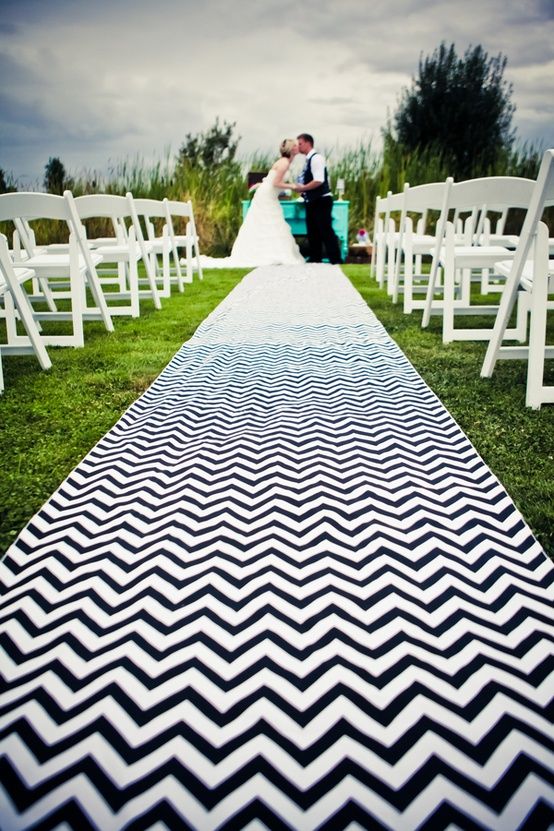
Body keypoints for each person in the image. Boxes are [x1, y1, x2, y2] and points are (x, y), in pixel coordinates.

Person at [197, 139, 305, 268]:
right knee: (269, 221)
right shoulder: (284, 163)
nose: (297, 147)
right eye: (295, 146)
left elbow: (270, 180)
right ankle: (267, 254)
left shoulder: (283, 162)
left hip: (267, 193)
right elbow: (276, 183)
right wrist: (293, 186)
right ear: (291, 149)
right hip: (268, 196)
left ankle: (265, 253)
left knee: (264, 222)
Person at [288, 133, 342, 264]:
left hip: (322, 200)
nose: (298, 146)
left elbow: (319, 180)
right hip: (312, 199)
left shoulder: (316, 158)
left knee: (325, 229)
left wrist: (303, 188)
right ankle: (315, 257)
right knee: (313, 230)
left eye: (300, 143)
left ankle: (336, 259)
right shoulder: (309, 160)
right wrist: (305, 192)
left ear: (308, 143)